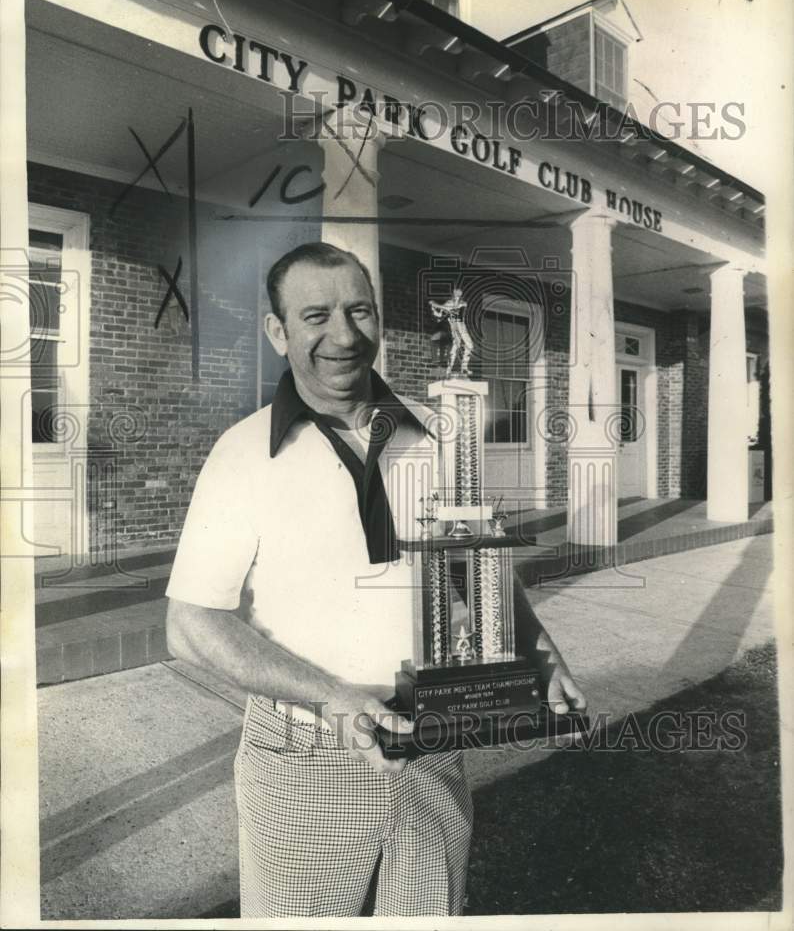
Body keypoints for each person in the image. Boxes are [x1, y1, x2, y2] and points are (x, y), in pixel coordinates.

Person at [165, 241, 586, 918]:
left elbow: (473, 552)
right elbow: (190, 625)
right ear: (277, 332)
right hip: (305, 754)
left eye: (359, 311)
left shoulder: (442, 435)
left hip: (433, 745)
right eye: (316, 316)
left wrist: (539, 654)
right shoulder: (242, 455)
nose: (343, 335)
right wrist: (333, 697)